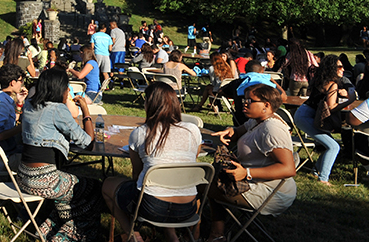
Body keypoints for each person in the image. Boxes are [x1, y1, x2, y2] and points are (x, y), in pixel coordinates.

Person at [102, 82, 201, 242]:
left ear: (150, 104)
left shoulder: (140, 133)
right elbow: (189, 165)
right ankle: (171, 235)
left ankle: (132, 235)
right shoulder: (193, 130)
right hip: (188, 208)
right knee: (169, 185)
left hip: (152, 208)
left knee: (108, 184)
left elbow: (137, 175)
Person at [16, 68, 101, 241]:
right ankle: (69, 233)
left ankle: (49, 227)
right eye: (66, 87)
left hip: (23, 175)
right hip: (45, 180)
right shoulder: (57, 110)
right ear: (58, 89)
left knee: (69, 192)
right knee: (93, 188)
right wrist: (85, 110)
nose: (68, 91)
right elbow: (89, 143)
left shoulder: (29, 105)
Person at [204, 84, 297, 240]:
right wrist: (230, 131)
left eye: (250, 100)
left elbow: (288, 169)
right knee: (208, 178)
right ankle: (216, 233)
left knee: (202, 184)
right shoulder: (258, 120)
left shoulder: (272, 128)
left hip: (270, 192)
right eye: (244, 99)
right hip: (255, 182)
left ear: (266, 105)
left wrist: (247, 173)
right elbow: (240, 130)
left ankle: (208, 233)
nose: (244, 103)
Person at [294, 55, 350, 185]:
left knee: (329, 145)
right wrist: (350, 99)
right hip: (306, 117)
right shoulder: (332, 84)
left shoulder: (321, 79)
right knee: (334, 146)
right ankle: (323, 178)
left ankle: (316, 171)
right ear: (332, 68)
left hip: (303, 113)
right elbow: (332, 107)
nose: (343, 69)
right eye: (340, 67)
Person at [0, 62, 26, 158]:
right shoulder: (1, 103)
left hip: (7, 144)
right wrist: (22, 127)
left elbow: (14, 119)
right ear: (13, 82)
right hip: (3, 150)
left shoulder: (3, 97)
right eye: (21, 81)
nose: (22, 83)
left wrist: (19, 102)